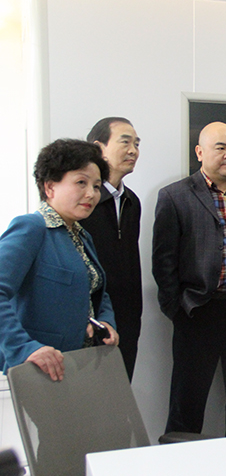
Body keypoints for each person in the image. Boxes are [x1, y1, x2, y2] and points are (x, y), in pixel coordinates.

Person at [152, 121, 226, 437]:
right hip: (199, 311)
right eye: (221, 147)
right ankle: (180, 462)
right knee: (187, 403)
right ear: (200, 152)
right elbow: (163, 262)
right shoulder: (175, 196)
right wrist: (178, 310)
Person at [0, 139, 119, 380]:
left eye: (97, 186)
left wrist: (105, 321)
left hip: (80, 362)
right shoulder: (32, 228)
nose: (91, 194)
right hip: (41, 368)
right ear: (50, 187)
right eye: (81, 182)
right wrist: (24, 347)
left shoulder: (81, 236)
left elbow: (95, 289)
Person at [79, 117, 142, 381]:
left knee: (121, 393)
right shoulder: (81, 203)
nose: (133, 150)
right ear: (98, 148)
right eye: (125, 142)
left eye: (137, 144)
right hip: (89, 322)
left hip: (127, 319)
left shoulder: (132, 201)